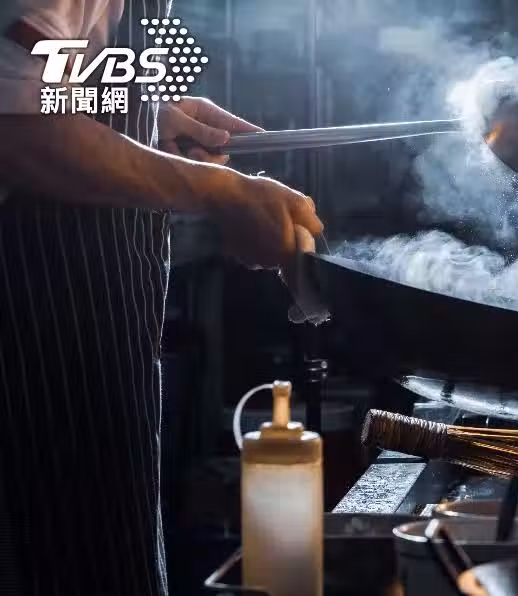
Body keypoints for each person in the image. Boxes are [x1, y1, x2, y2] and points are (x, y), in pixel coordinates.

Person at [0, 1, 324, 594]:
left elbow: (42, 83)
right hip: (31, 342)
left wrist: (145, 118)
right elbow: (15, 126)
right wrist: (215, 191)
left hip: (93, 344)